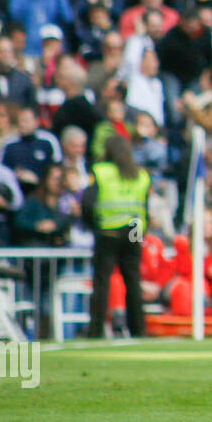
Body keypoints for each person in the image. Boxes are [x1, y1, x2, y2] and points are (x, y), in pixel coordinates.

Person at [84, 135, 151, 338]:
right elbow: (145, 206)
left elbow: (87, 202)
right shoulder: (141, 175)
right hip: (133, 229)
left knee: (102, 281)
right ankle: (138, 329)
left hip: (108, 229)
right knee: (133, 280)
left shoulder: (101, 171)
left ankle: (96, 330)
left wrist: (93, 225)